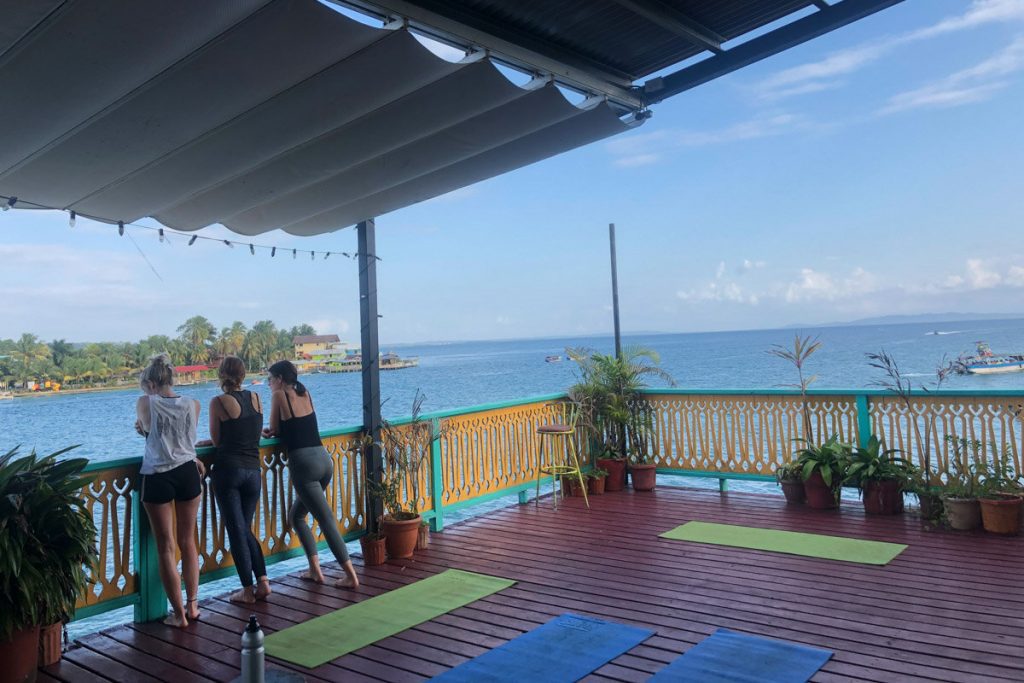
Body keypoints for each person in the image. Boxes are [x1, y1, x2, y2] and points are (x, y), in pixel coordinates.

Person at [262, 360, 359, 589]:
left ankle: (351, 576)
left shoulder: (279, 396)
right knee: (297, 516)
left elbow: (274, 428)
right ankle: (315, 570)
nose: (268, 384)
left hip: (303, 463)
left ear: (280, 379)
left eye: (270, 379)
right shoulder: (305, 393)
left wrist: (267, 433)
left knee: (326, 521)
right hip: (324, 460)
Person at [134, 354, 203, 628]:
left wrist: (142, 429)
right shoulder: (192, 404)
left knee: (166, 548)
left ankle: (178, 615)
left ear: (151, 384)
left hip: (158, 475)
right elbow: (184, 437)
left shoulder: (145, 402)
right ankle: (193, 605)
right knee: (188, 542)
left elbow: (150, 429)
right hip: (188, 471)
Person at [196, 356, 271, 604]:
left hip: (229, 471)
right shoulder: (257, 399)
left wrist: (209, 443)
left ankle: (247, 591)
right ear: (243, 374)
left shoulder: (218, 402)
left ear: (221, 375)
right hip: (253, 471)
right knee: (245, 530)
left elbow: (218, 441)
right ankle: (263, 581)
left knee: (237, 532)